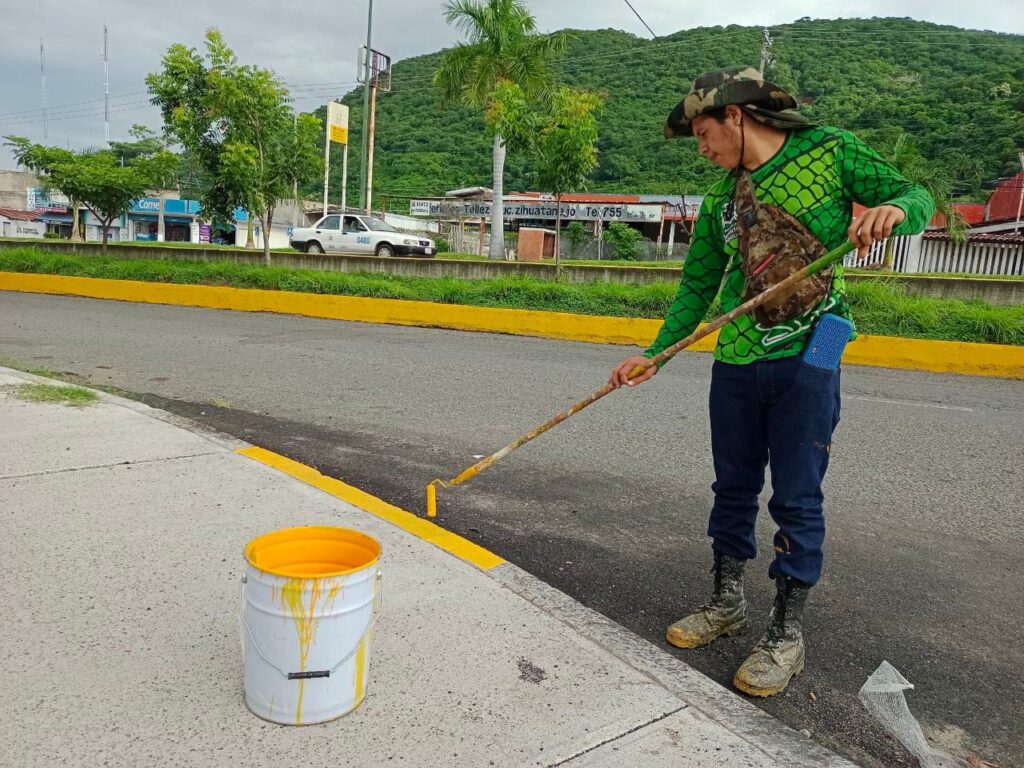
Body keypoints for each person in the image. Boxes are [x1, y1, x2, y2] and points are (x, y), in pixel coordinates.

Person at [609, 66, 934, 697]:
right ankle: (726, 604)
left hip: (815, 349)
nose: (702, 150)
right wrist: (657, 353)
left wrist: (894, 207)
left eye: (704, 134)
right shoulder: (719, 202)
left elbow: (917, 198)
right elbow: (697, 288)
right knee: (732, 485)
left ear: (735, 117)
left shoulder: (831, 152)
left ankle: (786, 633)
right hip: (735, 354)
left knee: (797, 492)